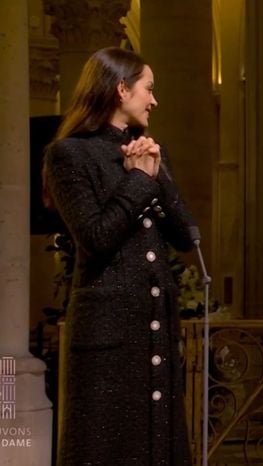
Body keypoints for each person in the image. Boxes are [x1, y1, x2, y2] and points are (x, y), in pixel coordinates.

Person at [44, 47, 195, 466]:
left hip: (154, 328)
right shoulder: (69, 154)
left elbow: (186, 235)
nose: (154, 100)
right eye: (149, 88)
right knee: (107, 446)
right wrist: (137, 182)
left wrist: (156, 172)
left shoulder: (147, 152)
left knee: (158, 445)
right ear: (120, 88)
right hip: (107, 334)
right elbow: (95, 238)